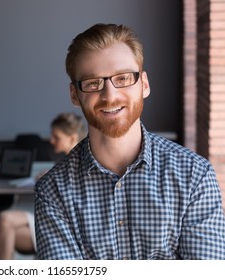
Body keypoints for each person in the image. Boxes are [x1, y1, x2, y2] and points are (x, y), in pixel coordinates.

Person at [34, 23, 225, 260]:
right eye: (93, 83)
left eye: (123, 78)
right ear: (75, 94)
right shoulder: (53, 191)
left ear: (144, 84)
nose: (110, 95)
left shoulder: (194, 176)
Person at [0, 112, 86, 259]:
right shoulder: (65, 163)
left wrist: (51, 180)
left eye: (57, 137)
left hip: (62, 226)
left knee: (3, 223)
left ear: (72, 138)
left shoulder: (83, 163)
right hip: (48, 218)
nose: (51, 140)